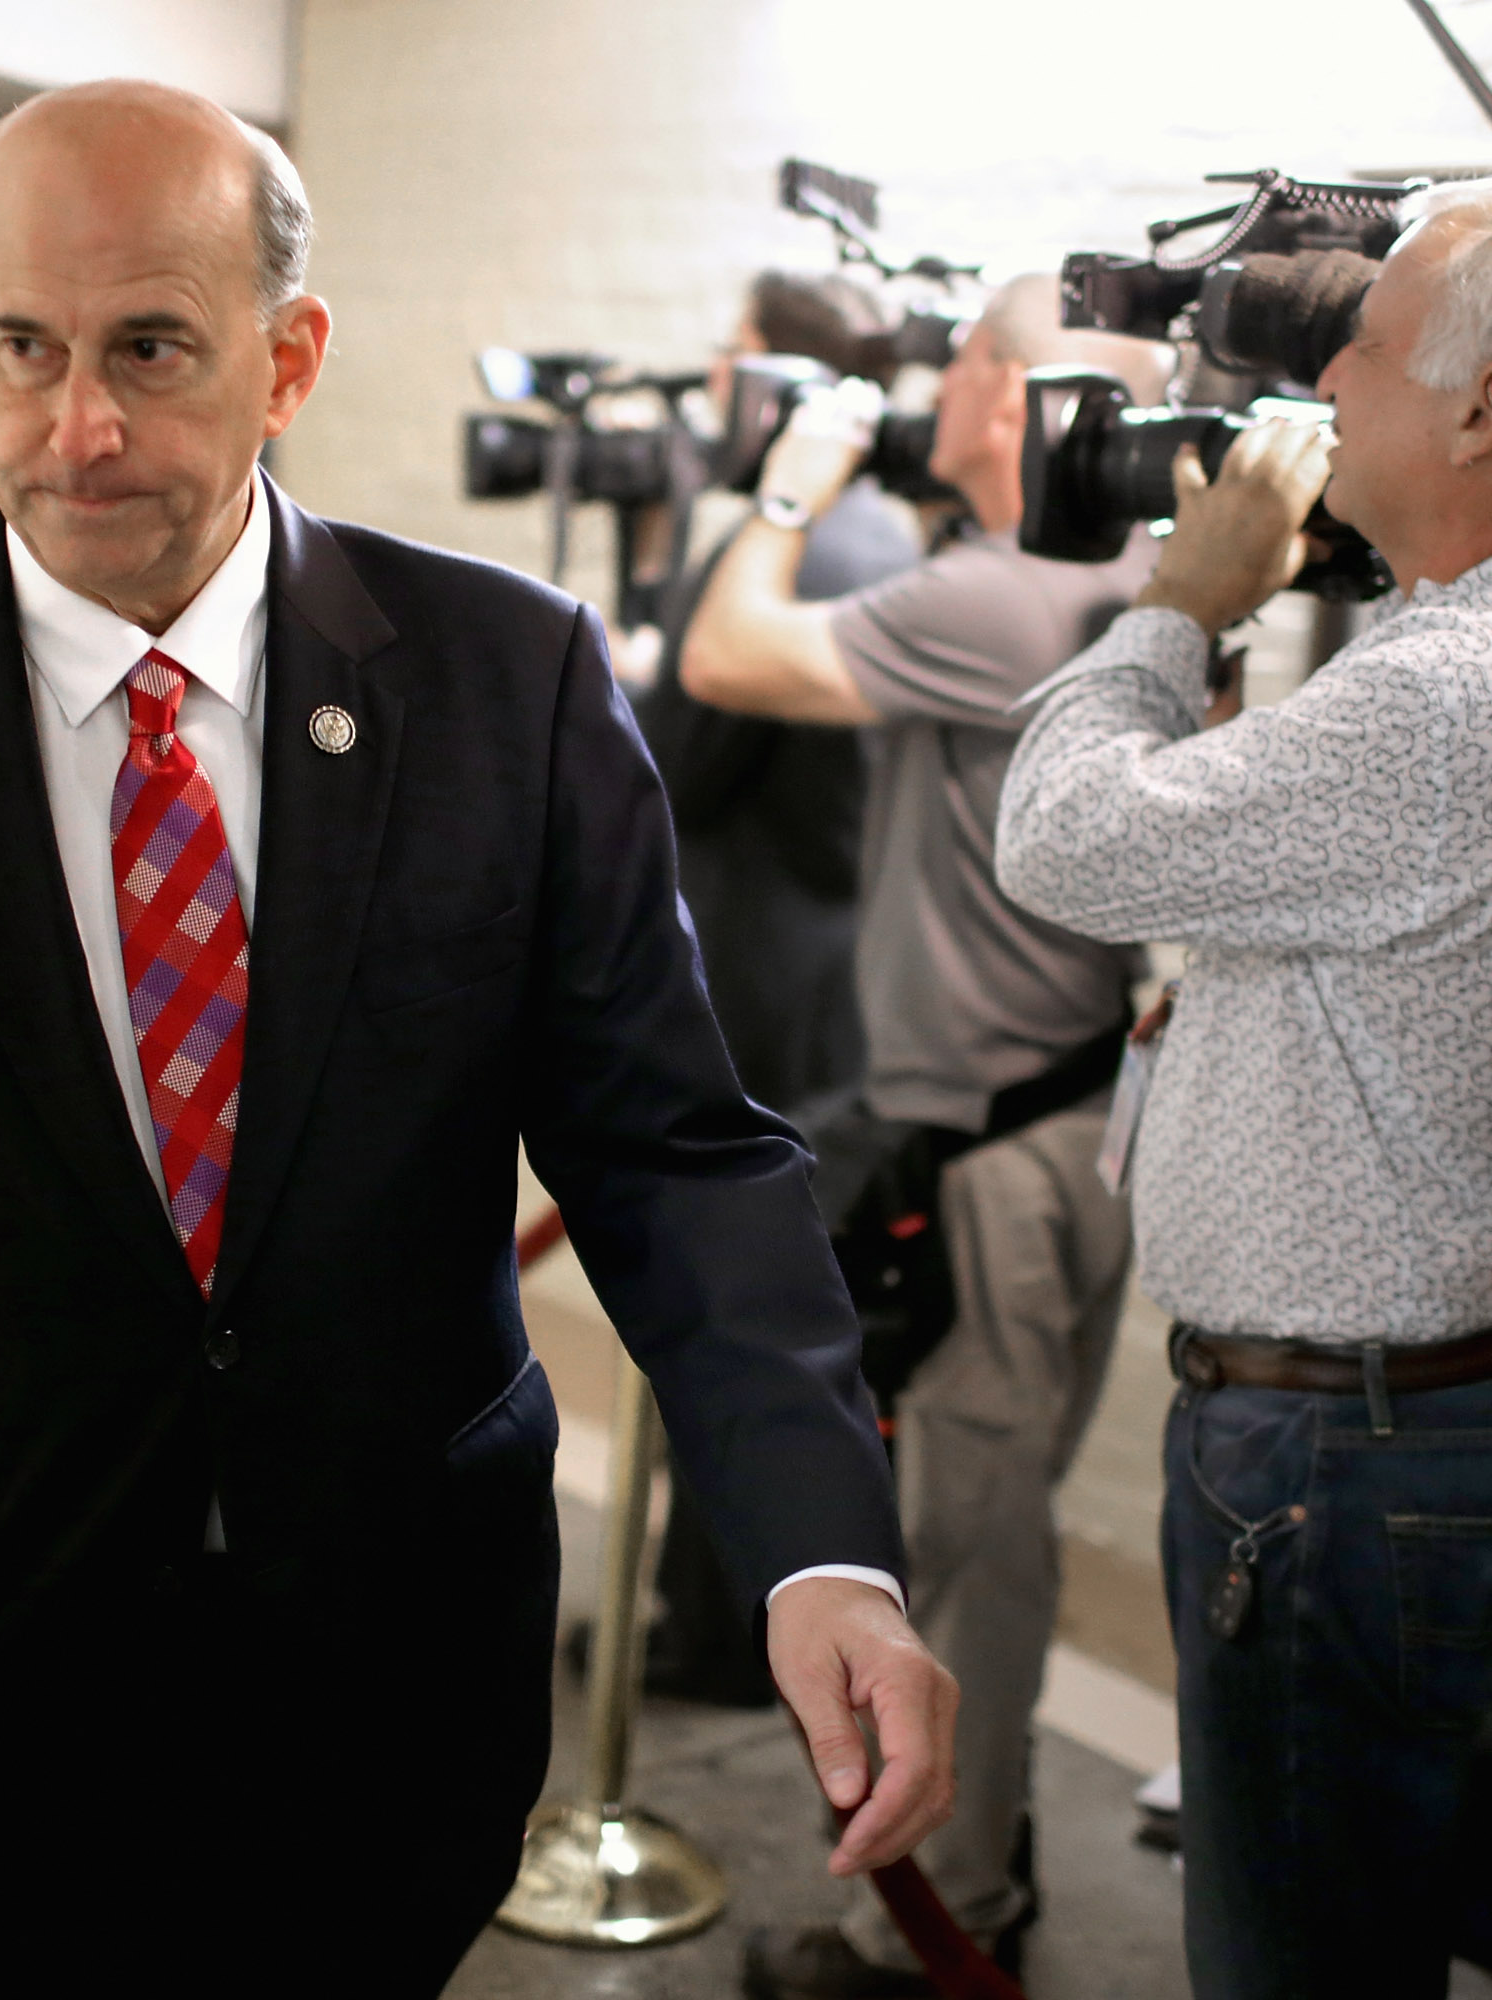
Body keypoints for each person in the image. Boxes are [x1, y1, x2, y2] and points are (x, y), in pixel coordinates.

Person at [0, 81, 953, 1996]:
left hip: (394, 1668)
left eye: (151, 349)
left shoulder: (506, 682)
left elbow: (673, 1151)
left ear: (288, 360)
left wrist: (820, 1551)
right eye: (25, 348)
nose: (79, 428)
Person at [993, 175, 1492, 1998]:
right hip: (1416, 1426)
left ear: (1482, 411)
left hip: (1342, 1458)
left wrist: (1181, 601)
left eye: (1367, 349)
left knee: (1294, 1960)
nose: (1322, 388)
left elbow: (1059, 839)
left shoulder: (1460, 699)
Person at [680, 273, 1162, 1998]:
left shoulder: (1002, 591)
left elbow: (724, 656)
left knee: (960, 1548)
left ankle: (950, 1929)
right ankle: (988, 1861)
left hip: (993, 1153)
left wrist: (787, 487)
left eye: (962, 359)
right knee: (992, 1524)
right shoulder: (1133, 580)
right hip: (1071, 1117)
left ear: (1021, 400)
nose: (931, 383)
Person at [619, 268, 921, 1710]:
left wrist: (627, 672)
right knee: (775, 1313)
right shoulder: (886, 531)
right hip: (829, 969)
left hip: (757, 984)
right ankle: (729, 1614)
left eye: (733, 353)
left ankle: (714, 1632)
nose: (712, 380)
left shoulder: (788, 544)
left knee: (725, 1307)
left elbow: (670, 759)